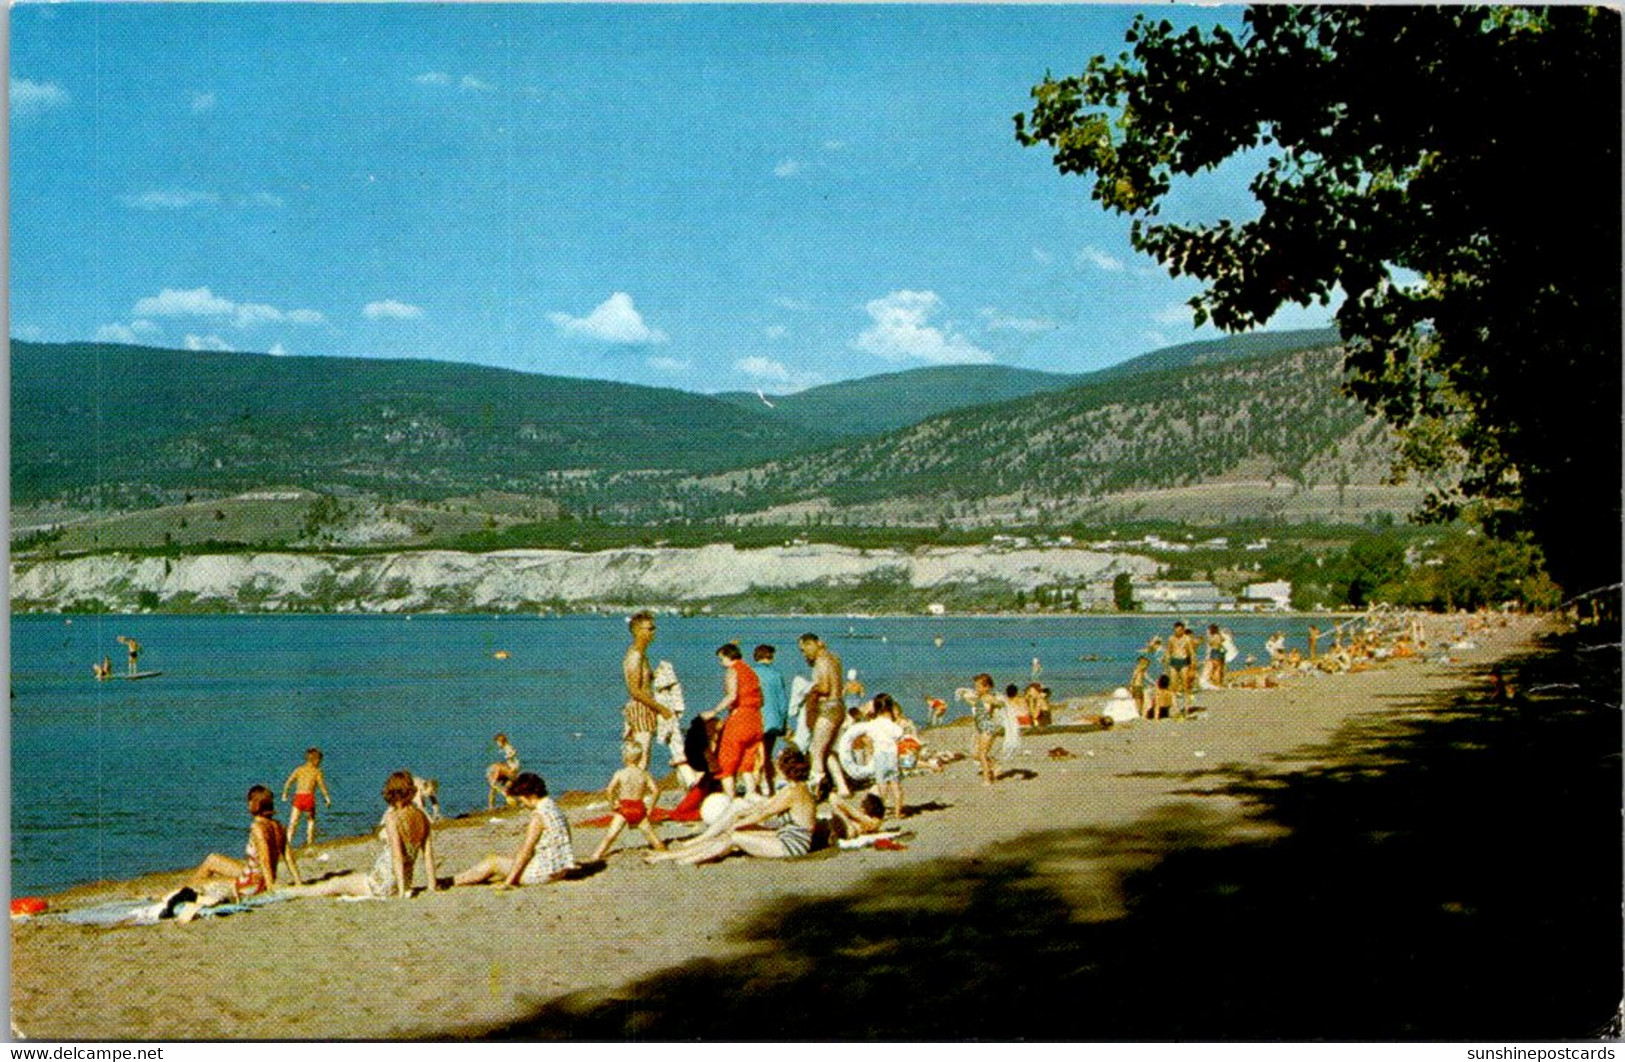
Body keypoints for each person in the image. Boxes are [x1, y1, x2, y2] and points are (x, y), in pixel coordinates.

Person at [647, 746, 824, 865]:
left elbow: (763, 814)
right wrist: (740, 816)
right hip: (787, 837)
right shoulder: (798, 788)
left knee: (733, 836)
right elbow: (765, 808)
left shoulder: (792, 792)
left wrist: (735, 823)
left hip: (791, 846)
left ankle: (680, 859)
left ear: (785, 770)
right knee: (732, 832)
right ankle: (674, 855)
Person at [282, 771, 439, 900]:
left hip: (383, 883)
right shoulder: (422, 817)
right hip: (404, 880)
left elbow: (397, 857)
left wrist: (401, 893)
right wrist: (431, 886)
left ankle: (292, 892)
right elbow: (428, 855)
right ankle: (295, 891)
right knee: (351, 880)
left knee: (334, 884)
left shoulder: (393, 818)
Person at [454, 772, 578, 888]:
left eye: (522, 799)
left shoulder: (539, 816)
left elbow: (526, 851)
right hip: (560, 870)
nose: (522, 803)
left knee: (493, 861)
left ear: (530, 795)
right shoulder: (553, 807)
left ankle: (453, 881)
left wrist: (508, 883)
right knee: (507, 860)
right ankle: (462, 878)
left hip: (543, 874)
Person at [190, 785, 301, 899]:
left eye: (249, 801)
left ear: (255, 804)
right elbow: (288, 856)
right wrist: (298, 881)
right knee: (212, 859)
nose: (248, 804)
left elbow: (264, 859)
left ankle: (189, 893)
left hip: (252, 884)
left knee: (195, 883)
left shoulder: (257, 827)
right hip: (255, 875)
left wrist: (270, 887)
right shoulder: (279, 826)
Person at [588, 741, 668, 862]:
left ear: (625, 757)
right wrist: (651, 806)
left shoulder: (620, 773)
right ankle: (663, 852)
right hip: (639, 808)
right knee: (651, 836)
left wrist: (613, 804)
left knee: (610, 836)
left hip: (624, 808)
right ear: (640, 757)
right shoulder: (644, 774)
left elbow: (609, 790)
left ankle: (596, 856)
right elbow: (656, 790)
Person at [706, 643, 765, 803]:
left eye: (721, 658)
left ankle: (730, 798)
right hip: (755, 717)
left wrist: (714, 711)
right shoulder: (751, 671)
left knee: (727, 759)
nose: (721, 663)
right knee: (748, 759)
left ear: (727, 656)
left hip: (740, 717)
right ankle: (751, 792)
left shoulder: (733, 670)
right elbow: (762, 699)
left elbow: (732, 696)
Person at [799, 633, 851, 798]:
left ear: (811, 644)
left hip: (828, 708)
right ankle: (842, 787)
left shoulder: (821, 661)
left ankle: (816, 790)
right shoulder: (833, 658)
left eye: (804, 649)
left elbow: (825, 687)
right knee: (826, 750)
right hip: (839, 706)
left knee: (816, 750)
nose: (804, 654)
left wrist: (809, 690)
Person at [623, 611, 674, 771]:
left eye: (653, 628)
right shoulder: (635, 656)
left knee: (642, 755)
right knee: (641, 756)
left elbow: (642, 682)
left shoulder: (641, 655)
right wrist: (661, 709)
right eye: (649, 629)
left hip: (645, 706)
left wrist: (655, 675)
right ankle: (635, 792)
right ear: (638, 631)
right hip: (641, 707)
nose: (653, 632)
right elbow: (634, 690)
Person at [848, 692, 905, 819]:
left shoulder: (872, 724)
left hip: (879, 757)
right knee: (896, 786)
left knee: (882, 787)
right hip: (891, 756)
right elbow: (899, 734)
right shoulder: (891, 724)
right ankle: (898, 812)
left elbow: (867, 736)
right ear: (890, 708)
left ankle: (881, 813)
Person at [751, 644, 790, 793]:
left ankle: (756, 787)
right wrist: (783, 722)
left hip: (756, 718)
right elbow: (783, 702)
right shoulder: (776, 675)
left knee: (756, 755)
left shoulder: (751, 673)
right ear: (770, 656)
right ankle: (771, 787)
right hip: (774, 720)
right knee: (767, 755)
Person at [281, 747, 333, 848]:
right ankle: (309, 841)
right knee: (310, 821)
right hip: (309, 797)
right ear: (316, 760)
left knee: (293, 822)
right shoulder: (317, 771)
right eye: (320, 761)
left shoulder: (299, 770)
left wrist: (285, 794)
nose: (320, 763)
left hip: (299, 797)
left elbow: (288, 782)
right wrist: (327, 798)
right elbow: (322, 786)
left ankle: (288, 842)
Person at [964, 672, 1001, 785]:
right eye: (975, 686)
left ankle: (987, 779)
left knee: (982, 754)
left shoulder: (988, 697)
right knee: (976, 754)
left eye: (979, 686)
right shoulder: (981, 698)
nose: (976, 689)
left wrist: (998, 703)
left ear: (987, 687)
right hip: (981, 727)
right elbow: (973, 702)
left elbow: (998, 703)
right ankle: (994, 766)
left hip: (987, 727)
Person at [1165, 622, 1199, 716]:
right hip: (1174, 661)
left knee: (1186, 685)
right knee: (1173, 686)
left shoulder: (1187, 639)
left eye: (1180, 630)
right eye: (1176, 629)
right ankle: (1176, 708)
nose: (1178, 631)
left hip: (1183, 661)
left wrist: (1193, 666)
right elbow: (1168, 651)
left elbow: (1191, 653)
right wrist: (1166, 663)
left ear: (1183, 630)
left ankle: (1187, 706)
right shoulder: (1171, 638)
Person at [485, 733, 521, 809]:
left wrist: (510, 756)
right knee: (496, 788)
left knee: (495, 784)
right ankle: (491, 806)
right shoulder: (504, 748)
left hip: (511, 770)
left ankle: (492, 805)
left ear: (501, 741)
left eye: (498, 742)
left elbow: (513, 752)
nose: (497, 744)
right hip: (512, 770)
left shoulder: (507, 748)